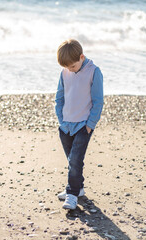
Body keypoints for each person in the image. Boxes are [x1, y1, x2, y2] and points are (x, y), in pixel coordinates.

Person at [55, 39, 104, 210]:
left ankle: (72, 193)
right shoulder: (65, 72)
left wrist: (90, 124)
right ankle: (79, 188)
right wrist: (61, 120)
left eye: (73, 67)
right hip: (66, 126)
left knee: (76, 160)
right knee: (72, 161)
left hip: (83, 126)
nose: (70, 70)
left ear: (82, 57)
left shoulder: (94, 72)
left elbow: (98, 101)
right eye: (67, 67)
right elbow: (59, 97)